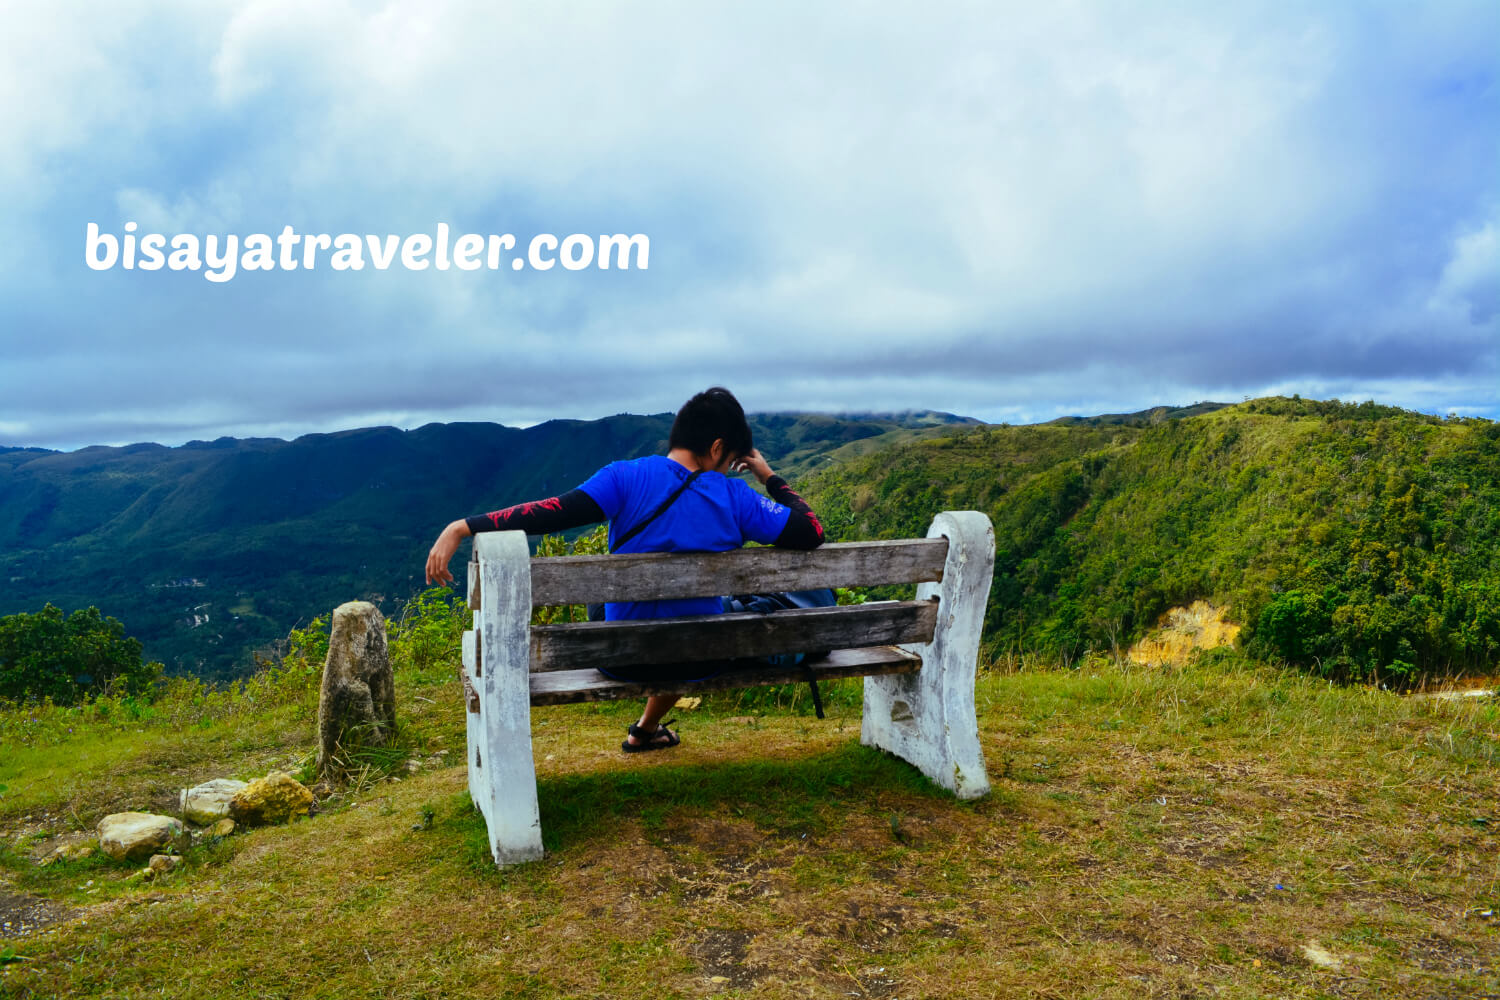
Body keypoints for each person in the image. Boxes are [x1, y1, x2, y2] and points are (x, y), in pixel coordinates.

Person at [425, 387, 824, 752]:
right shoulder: (738, 497)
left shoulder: (624, 477)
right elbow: (812, 530)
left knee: (616, 598)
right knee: (700, 612)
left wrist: (464, 525)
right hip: (703, 654)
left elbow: (550, 513)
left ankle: (645, 730)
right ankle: (645, 730)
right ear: (718, 447)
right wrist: (767, 475)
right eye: (731, 459)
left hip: (620, 654)